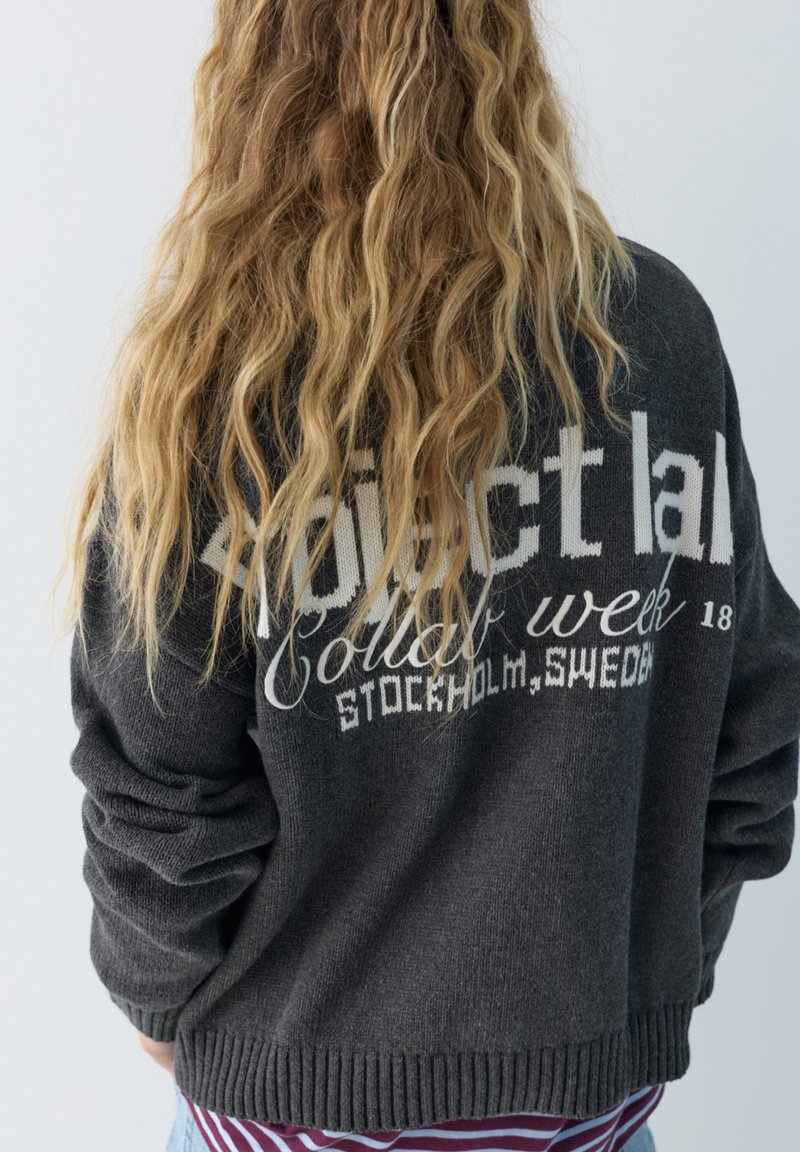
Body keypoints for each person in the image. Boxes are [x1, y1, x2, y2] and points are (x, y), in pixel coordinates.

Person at [56, 2, 800, 1151]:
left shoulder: (219, 377)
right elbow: (750, 730)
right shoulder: (655, 336)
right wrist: (635, 982)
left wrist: (161, 1003)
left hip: (287, 1105)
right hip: (587, 1109)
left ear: (257, 76)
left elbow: (156, 784)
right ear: (504, 58)